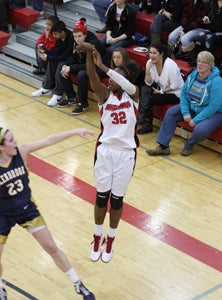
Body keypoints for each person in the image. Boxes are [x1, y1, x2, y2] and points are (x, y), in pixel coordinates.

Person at [0, 126, 96, 300]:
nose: (16, 142)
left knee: (51, 247)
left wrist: (73, 131)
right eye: (11, 140)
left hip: (26, 209)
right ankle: (0, 286)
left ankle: (77, 283)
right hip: (3, 214)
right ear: (1, 147)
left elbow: (48, 140)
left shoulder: (21, 153)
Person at [77, 42, 140, 263]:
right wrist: (88, 54)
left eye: (115, 77)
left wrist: (104, 65)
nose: (110, 80)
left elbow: (120, 80)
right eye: (110, 77)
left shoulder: (134, 96)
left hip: (126, 153)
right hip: (105, 151)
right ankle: (97, 236)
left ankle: (111, 238)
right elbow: (93, 76)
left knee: (117, 200)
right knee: (102, 197)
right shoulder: (105, 95)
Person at [146, 51, 222, 157]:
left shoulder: (216, 81)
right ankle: (163, 147)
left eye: (204, 62)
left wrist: (196, 119)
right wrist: (186, 113)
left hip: (214, 113)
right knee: (171, 112)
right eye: (199, 61)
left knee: (201, 129)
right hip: (193, 107)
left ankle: (189, 145)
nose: (200, 64)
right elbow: (183, 95)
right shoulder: (193, 75)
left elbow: (214, 106)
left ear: (210, 65)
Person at [46, 18, 109, 114]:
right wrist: (66, 65)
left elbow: (90, 65)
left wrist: (70, 68)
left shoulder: (92, 44)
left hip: (101, 67)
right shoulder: (76, 42)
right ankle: (71, 97)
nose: (77, 39)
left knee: (82, 74)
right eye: (75, 36)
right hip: (86, 65)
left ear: (85, 35)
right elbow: (75, 58)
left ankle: (83, 104)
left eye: (79, 36)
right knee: (62, 65)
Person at [137, 41, 184, 134]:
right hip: (161, 88)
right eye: (150, 52)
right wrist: (147, 71)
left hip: (174, 92)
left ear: (161, 54)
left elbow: (175, 86)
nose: (151, 55)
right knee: (145, 89)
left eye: (154, 53)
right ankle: (144, 119)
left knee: (150, 98)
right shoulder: (149, 63)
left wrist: (161, 91)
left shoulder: (170, 65)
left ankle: (146, 123)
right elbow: (148, 83)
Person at [31, 21, 74, 99]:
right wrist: (46, 52)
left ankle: (58, 94)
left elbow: (65, 56)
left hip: (72, 59)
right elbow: (57, 50)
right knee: (52, 60)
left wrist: (48, 57)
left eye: (55, 34)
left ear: (62, 32)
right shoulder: (59, 37)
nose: (53, 36)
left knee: (60, 64)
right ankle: (47, 88)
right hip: (65, 57)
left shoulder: (71, 38)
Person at [192, 0, 222, 66]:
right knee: (199, 36)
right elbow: (207, 15)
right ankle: (197, 60)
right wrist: (206, 18)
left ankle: (212, 63)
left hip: (220, 32)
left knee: (209, 38)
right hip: (212, 29)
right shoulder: (213, 3)